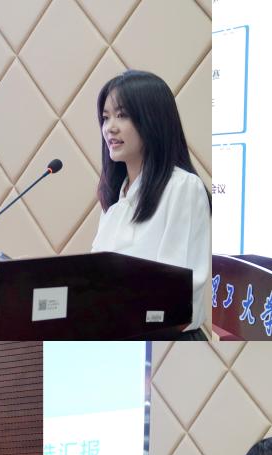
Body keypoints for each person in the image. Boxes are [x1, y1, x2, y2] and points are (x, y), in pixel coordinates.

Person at [90, 70, 211, 340]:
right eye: (106, 117)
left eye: (122, 115)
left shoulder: (182, 187)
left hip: (165, 341)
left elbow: (180, 287)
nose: (110, 127)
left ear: (152, 120)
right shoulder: (115, 197)